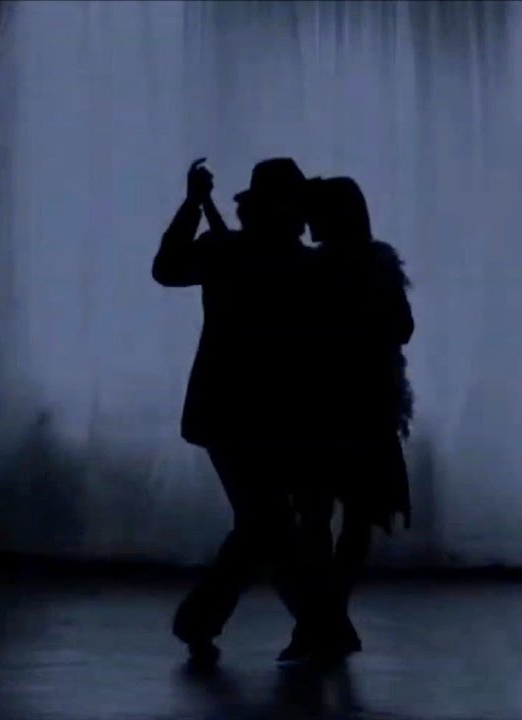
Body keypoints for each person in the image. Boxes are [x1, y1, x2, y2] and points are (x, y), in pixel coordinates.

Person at [152, 157, 328, 666]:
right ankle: (313, 623)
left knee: (263, 524)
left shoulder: (228, 252)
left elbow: (167, 268)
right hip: (252, 412)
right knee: (268, 524)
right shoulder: (295, 264)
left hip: (236, 410)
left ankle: (307, 623)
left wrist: (192, 205)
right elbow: (167, 270)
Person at [284, 176, 415, 662]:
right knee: (349, 517)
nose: (308, 223)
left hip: (331, 405)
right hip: (361, 405)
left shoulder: (315, 268)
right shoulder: (374, 264)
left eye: (315, 214)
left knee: (322, 517)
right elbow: (402, 328)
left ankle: (325, 620)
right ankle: (330, 618)